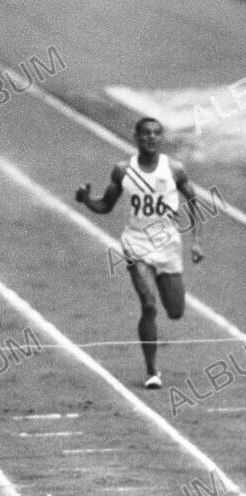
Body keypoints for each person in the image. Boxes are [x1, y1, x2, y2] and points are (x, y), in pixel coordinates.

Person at [76, 117, 204, 388]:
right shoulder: (123, 171)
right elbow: (106, 205)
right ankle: (152, 371)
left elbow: (194, 201)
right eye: (145, 133)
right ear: (136, 137)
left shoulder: (174, 169)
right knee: (148, 303)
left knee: (176, 311)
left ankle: (163, 284)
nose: (151, 138)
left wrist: (196, 241)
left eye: (157, 133)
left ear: (161, 138)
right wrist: (86, 199)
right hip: (136, 243)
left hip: (168, 245)